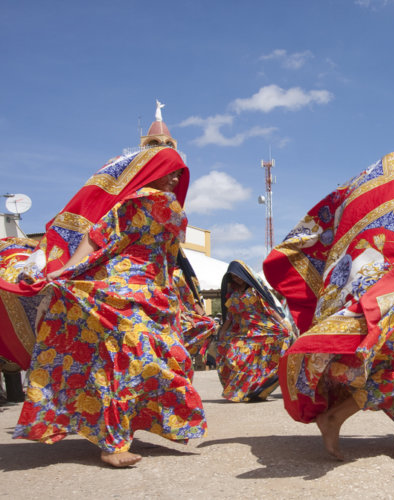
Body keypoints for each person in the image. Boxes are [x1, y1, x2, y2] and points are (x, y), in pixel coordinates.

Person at [0, 147, 206, 466]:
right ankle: (114, 445)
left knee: (165, 356)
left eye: (179, 173)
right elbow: (96, 239)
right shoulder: (134, 202)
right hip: (124, 288)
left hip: (155, 294)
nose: (176, 178)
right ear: (152, 173)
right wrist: (67, 271)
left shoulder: (175, 211)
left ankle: (143, 426)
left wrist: (174, 297)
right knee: (128, 356)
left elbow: (168, 257)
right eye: (170, 171)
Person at [263, 151, 394, 460]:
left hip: (391, 307)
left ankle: (350, 421)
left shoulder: (362, 214)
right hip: (391, 308)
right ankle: (392, 435)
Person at [216, 261, 294, 402]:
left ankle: (260, 386)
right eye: (233, 277)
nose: (236, 279)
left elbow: (269, 309)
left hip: (262, 328)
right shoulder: (233, 295)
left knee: (282, 338)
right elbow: (231, 316)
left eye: (238, 276)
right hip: (244, 332)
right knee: (234, 356)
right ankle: (244, 390)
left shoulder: (254, 291)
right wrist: (222, 331)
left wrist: (283, 322)